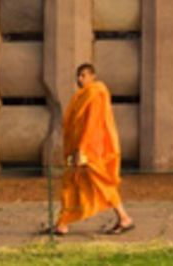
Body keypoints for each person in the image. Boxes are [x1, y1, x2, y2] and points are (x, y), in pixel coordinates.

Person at [50, 62, 135, 236]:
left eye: (83, 75)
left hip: (92, 149)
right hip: (79, 148)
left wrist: (82, 148)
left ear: (92, 76)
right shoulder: (81, 96)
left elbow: (93, 123)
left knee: (100, 183)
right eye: (78, 76)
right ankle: (63, 223)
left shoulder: (96, 93)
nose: (79, 79)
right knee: (71, 181)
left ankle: (124, 218)